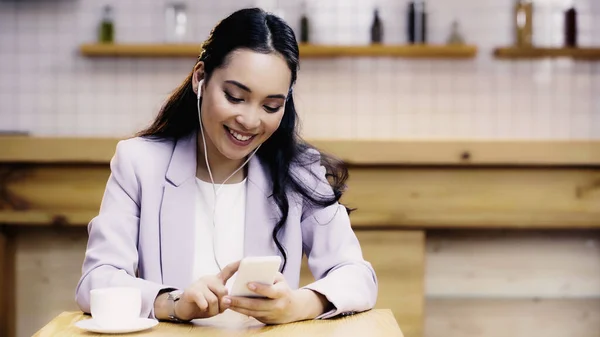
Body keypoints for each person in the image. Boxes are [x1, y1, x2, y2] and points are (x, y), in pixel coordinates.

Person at [75, 7, 377, 325]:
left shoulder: (299, 171)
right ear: (200, 78)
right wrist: (173, 302)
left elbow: (358, 276)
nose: (249, 120)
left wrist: (299, 304)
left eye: (271, 105)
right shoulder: (139, 163)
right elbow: (97, 281)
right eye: (234, 97)